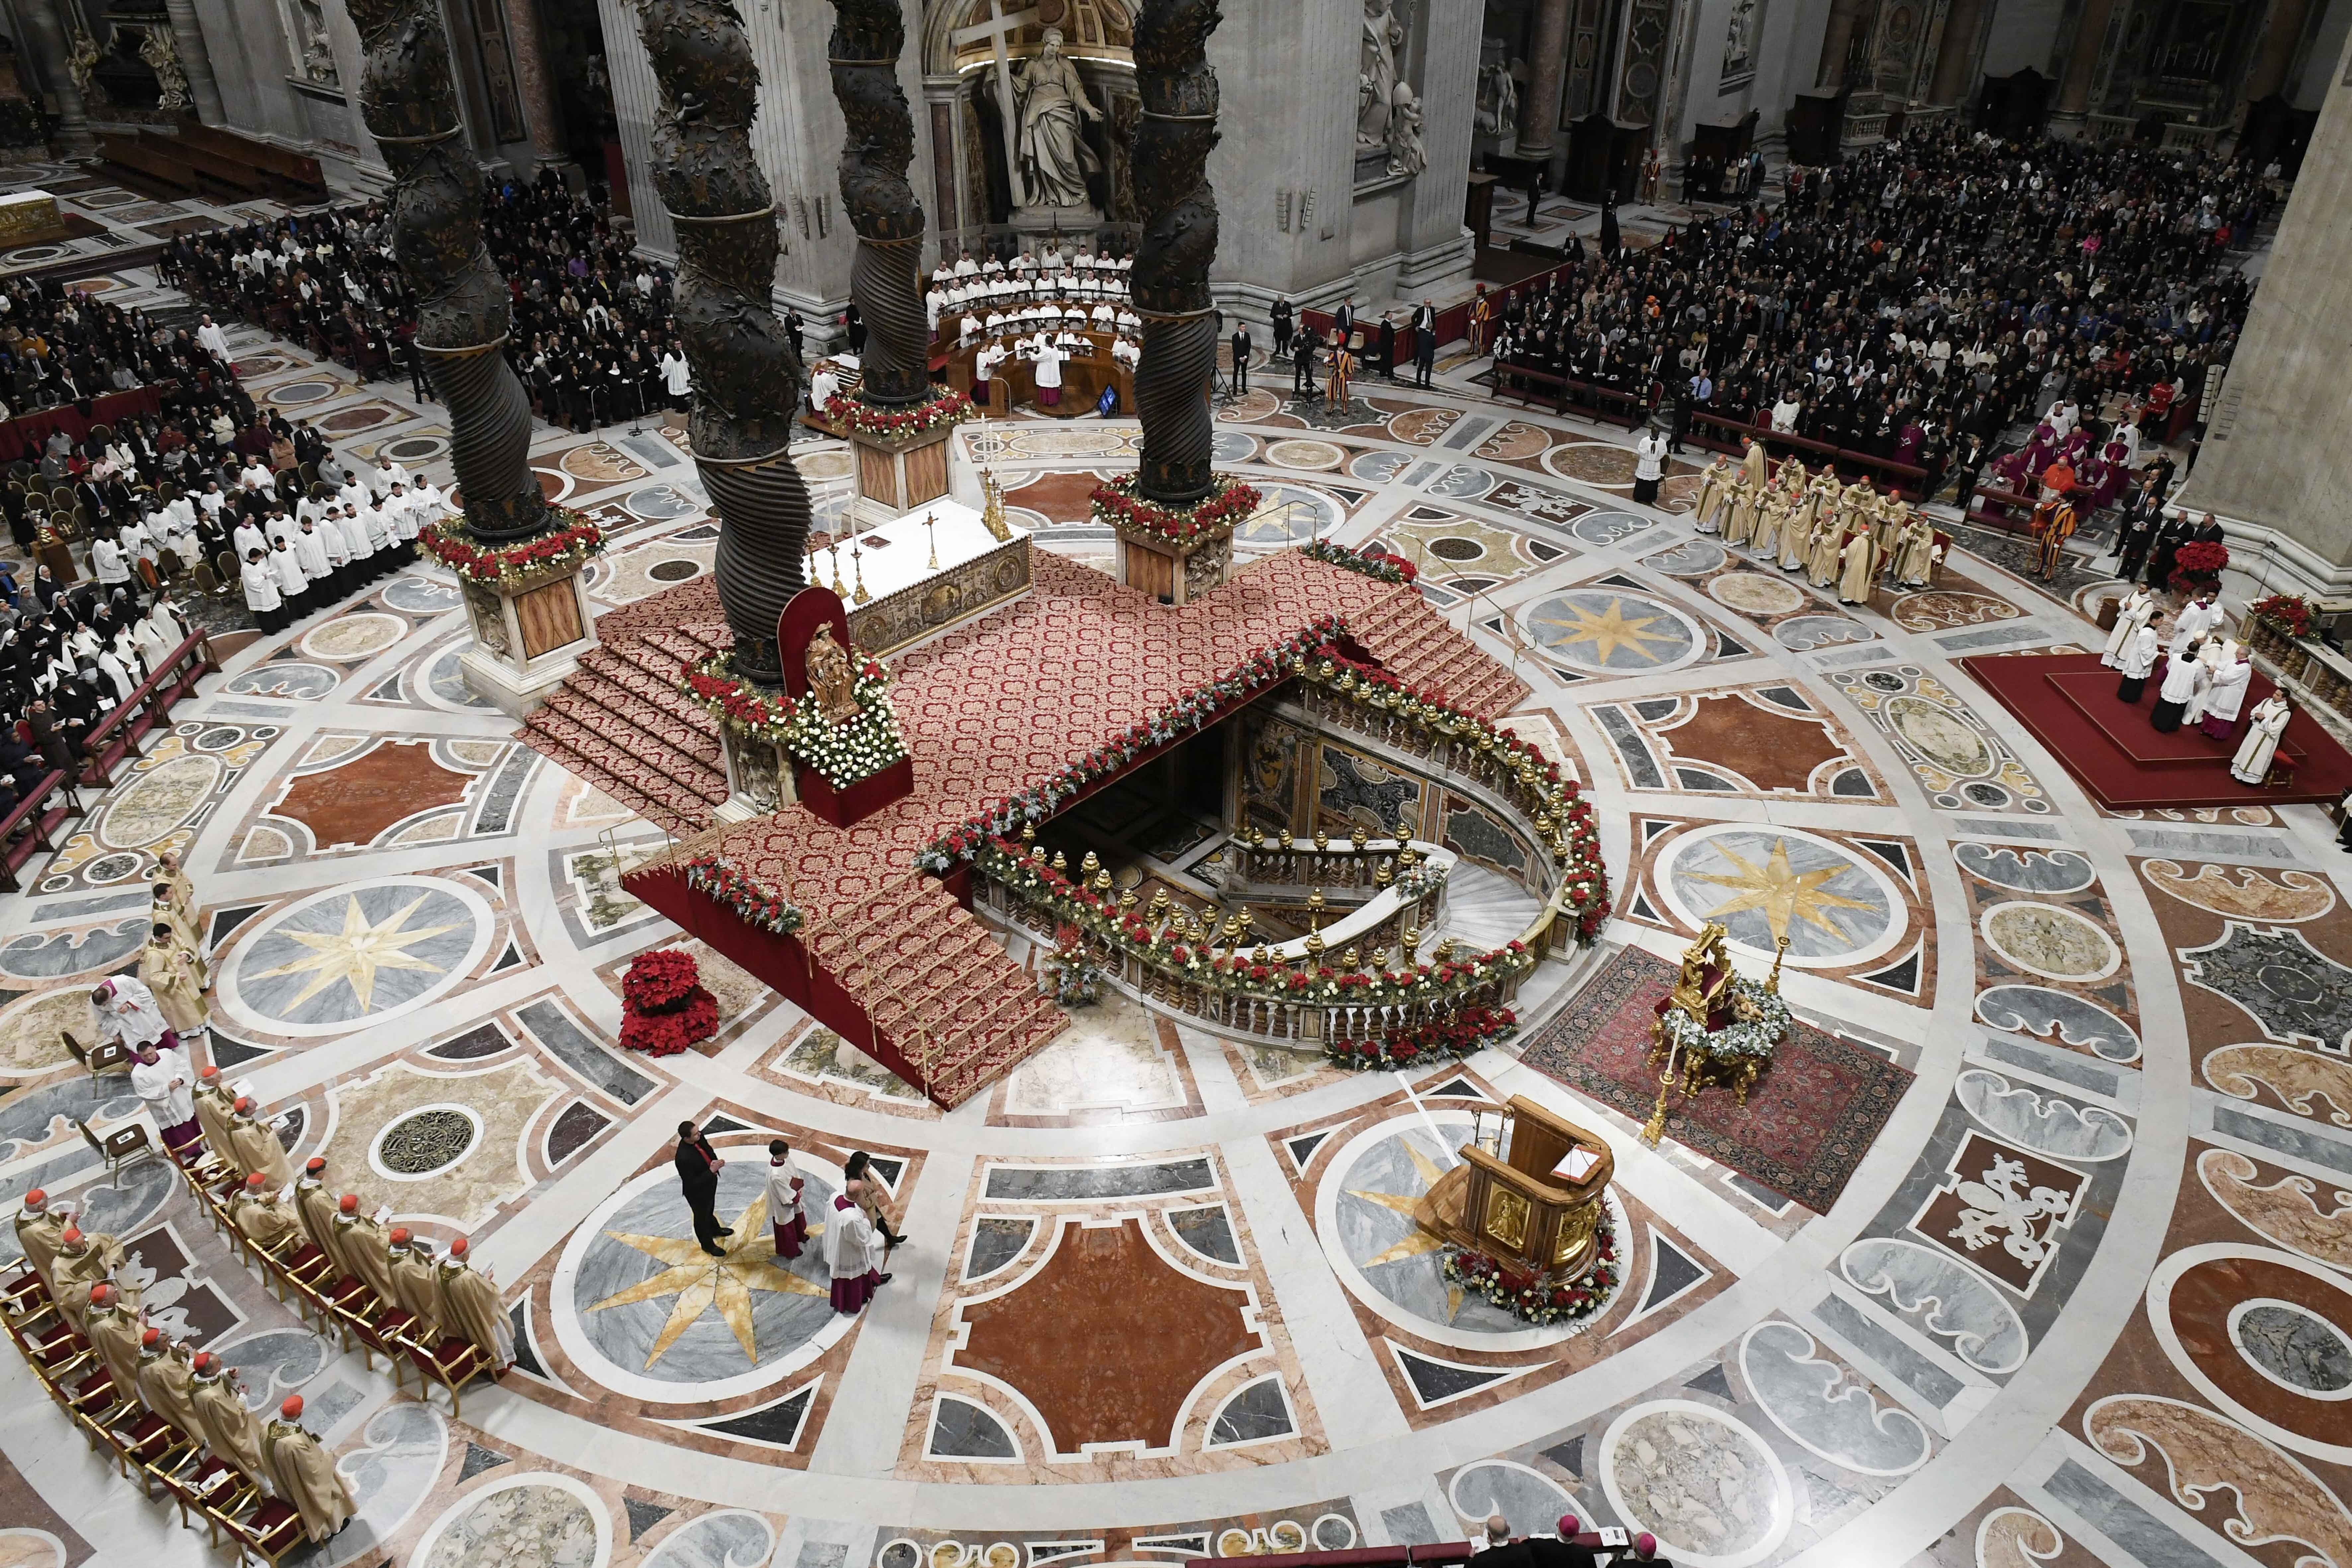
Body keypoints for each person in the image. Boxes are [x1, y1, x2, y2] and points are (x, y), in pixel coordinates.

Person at [263, 1394, 358, 1542]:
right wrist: (328, 1458)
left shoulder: (267, 1429)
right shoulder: (296, 1442)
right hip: (302, 1480)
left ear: (281, 1410)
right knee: (318, 1497)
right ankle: (332, 1529)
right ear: (299, 1414)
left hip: (282, 1477)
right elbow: (314, 1471)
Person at [434, 1235, 516, 1371]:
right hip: (475, 1315)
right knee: (496, 1324)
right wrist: (488, 1280)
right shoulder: (468, 1277)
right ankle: (500, 1360)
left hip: (455, 1313)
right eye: (469, 1254)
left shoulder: (440, 1270)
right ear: (465, 1256)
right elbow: (488, 1295)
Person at [190, 1352, 269, 1484]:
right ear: (209, 1370)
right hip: (233, 1430)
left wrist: (227, 1374)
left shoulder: (195, 1378)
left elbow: (212, 1379)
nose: (222, 1363)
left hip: (217, 1423)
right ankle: (266, 1482)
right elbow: (235, 1417)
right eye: (218, 1364)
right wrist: (243, 1396)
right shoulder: (212, 1397)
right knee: (253, 1449)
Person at [823, 1175, 887, 1312]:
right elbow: (861, 1238)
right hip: (848, 1252)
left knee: (855, 1276)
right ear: (858, 1195)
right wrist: (865, 1220)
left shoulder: (836, 1196)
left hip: (838, 1242)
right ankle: (853, 1303)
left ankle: (863, 1292)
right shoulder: (851, 1218)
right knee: (852, 1279)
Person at [129, 1037, 201, 1156]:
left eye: (150, 1054)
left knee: (189, 1120)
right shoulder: (138, 1074)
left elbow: (181, 1065)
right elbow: (144, 1093)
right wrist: (166, 1089)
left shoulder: (167, 1054)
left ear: (155, 1048)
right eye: (144, 1056)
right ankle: (192, 1151)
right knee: (177, 1129)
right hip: (166, 1105)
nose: (149, 1058)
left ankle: (198, 1140)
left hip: (180, 1097)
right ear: (139, 1056)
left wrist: (180, 1078)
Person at [140, 921, 208, 1037]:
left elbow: (182, 943)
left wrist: (185, 954)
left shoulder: (170, 937)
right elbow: (155, 976)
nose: (170, 939)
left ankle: (202, 1023)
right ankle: (190, 1030)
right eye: (167, 938)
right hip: (174, 987)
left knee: (194, 1002)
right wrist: (176, 978)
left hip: (186, 978)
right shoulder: (154, 955)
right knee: (184, 1008)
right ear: (158, 938)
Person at [675, 1119, 728, 1255]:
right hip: (697, 1193)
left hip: (709, 1184)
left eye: (699, 1132)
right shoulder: (683, 1158)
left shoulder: (698, 1137)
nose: (700, 1135)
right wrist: (711, 1171)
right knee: (701, 1218)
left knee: (710, 1210)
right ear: (687, 1138)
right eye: (696, 1134)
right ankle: (708, 1245)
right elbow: (692, 1183)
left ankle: (715, 1230)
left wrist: (715, 1162)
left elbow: (708, 1149)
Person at [92, 974, 171, 1053]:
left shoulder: (123, 982)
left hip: (144, 1016)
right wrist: (115, 1034)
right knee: (137, 1049)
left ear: (109, 995)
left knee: (161, 1043)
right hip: (125, 1025)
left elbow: (144, 993)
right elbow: (103, 1019)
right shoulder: (95, 1001)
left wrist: (129, 1005)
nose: (105, 1006)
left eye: (106, 1003)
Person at [844, 1150, 907, 1247]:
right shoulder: (857, 1184)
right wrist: (875, 1195)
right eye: (867, 1165)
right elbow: (864, 1204)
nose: (869, 1167)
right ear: (861, 1167)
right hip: (867, 1212)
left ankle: (890, 1239)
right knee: (868, 1233)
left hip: (873, 1207)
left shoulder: (863, 1173)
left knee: (880, 1219)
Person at [2233, 694, 2291, 784]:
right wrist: (2256, 715)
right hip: (2255, 732)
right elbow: (2255, 711)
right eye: (2275, 693)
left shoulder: (2285, 713)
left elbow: (2275, 730)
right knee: (2247, 751)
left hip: (2266, 738)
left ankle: (2250, 779)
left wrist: (2264, 720)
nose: (2274, 696)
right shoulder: (2267, 701)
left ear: (2284, 699)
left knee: (2257, 758)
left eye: (2278, 695)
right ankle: (2238, 772)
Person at [766, 1138, 808, 1260]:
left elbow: (794, 1172)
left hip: (793, 1192)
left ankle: (801, 1236)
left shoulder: (785, 1159)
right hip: (784, 1202)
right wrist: (796, 1195)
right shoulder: (775, 1175)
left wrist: (798, 1184)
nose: (788, 1154)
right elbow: (782, 1192)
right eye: (786, 1152)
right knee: (787, 1227)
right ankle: (791, 1251)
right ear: (779, 1155)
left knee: (798, 1217)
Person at [2153, 641, 2208, 733]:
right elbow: (2199, 678)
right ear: (2198, 651)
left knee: (2164, 705)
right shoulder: (2198, 665)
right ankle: (2169, 726)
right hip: (2183, 690)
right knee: (2175, 709)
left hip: (2171, 685)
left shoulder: (2176, 657)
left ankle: (2156, 721)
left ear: (2188, 647)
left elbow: (2168, 668)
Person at [2200, 652, 2252, 740]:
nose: (2235, 654)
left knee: (2221, 713)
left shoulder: (2246, 668)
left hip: (2231, 693)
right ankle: (2207, 729)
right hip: (2223, 689)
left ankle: (2217, 734)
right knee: (2213, 710)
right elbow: (2221, 665)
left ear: (2244, 655)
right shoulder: (2235, 661)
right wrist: (2208, 662)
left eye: (2238, 653)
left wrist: (2215, 672)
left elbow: (2229, 678)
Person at [2102, 587, 2155, 668]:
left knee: (2126, 646)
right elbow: (2123, 602)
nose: (2140, 589)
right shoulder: (2134, 593)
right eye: (2140, 587)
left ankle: (2119, 665)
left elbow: (2142, 617)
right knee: (2115, 639)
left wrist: (2131, 609)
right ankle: (2108, 660)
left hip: (2132, 626)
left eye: (2143, 589)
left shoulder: (2149, 603)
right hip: (2123, 621)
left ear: (2148, 590)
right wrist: (2125, 606)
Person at [2115, 621, 2161, 703]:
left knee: (2138, 679)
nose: (2162, 622)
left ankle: (2133, 696)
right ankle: (2127, 697)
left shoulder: (2152, 631)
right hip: (2138, 660)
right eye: (2161, 620)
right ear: (2155, 620)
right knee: (2134, 679)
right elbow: (2145, 650)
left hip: (2139, 659)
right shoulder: (2147, 634)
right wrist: (2157, 654)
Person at [1632, 424, 1667, 506]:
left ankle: (1650, 499)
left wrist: (1656, 452)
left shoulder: (1662, 442)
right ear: (1652, 432)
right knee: (1642, 481)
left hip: (1655, 464)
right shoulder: (1645, 441)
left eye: (1658, 433)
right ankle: (1638, 497)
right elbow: (1640, 450)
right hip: (1645, 463)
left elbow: (1664, 452)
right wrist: (1649, 450)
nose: (1657, 435)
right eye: (1655, 433)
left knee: (1652, 482)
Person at [1229, 322, 1250, 395]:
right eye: (1243, 327)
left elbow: (1249, 347)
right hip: (1237, 358)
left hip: (1245, 358)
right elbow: (1235, 348)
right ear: (1239, 327)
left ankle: (1244, 389)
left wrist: (1245, 357)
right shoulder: (1234, 337)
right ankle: (1235, 389)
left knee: (1244, 373)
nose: (1244, 328)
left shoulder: (1247, 336)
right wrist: (1240, 358)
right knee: (1236, 373)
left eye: (1245, 327)